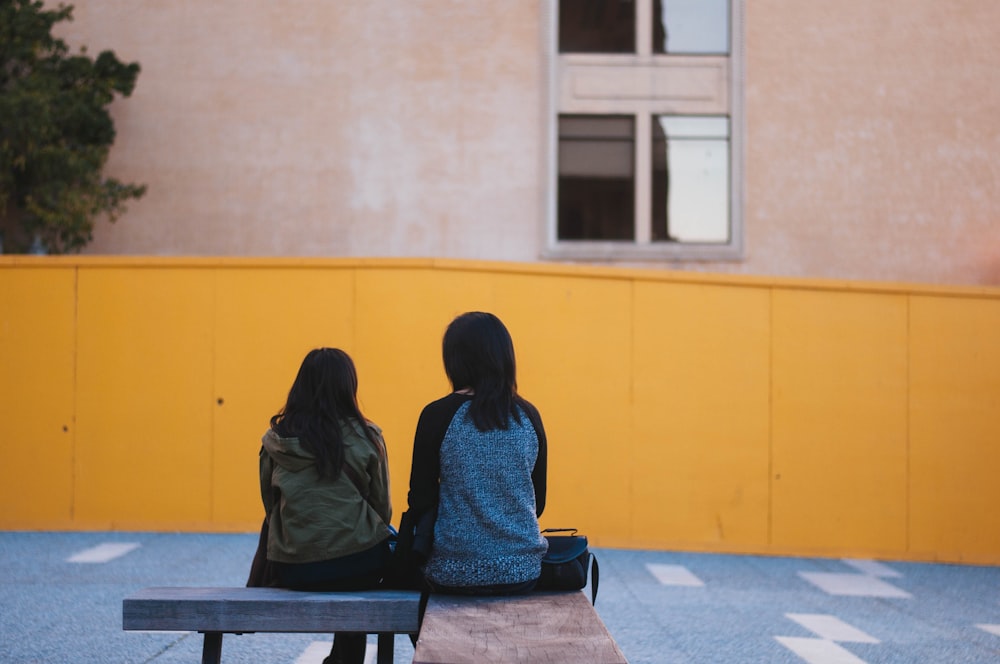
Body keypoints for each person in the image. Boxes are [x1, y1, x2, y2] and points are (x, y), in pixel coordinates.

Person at [258, 347, 392, 664]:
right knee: (369, 554)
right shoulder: (367, 436)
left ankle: (339, 659)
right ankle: (345, 660)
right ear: (349, 386)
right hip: (360, 566)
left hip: (293, 569)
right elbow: (381, 510)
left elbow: (270, 507)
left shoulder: (275, 440)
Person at [405, 311, 548, 595]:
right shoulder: (528, 416)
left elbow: (420, 499)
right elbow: (538, 503)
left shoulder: (436, 415)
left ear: (454, 361)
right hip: (522, 571)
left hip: (452, 571)